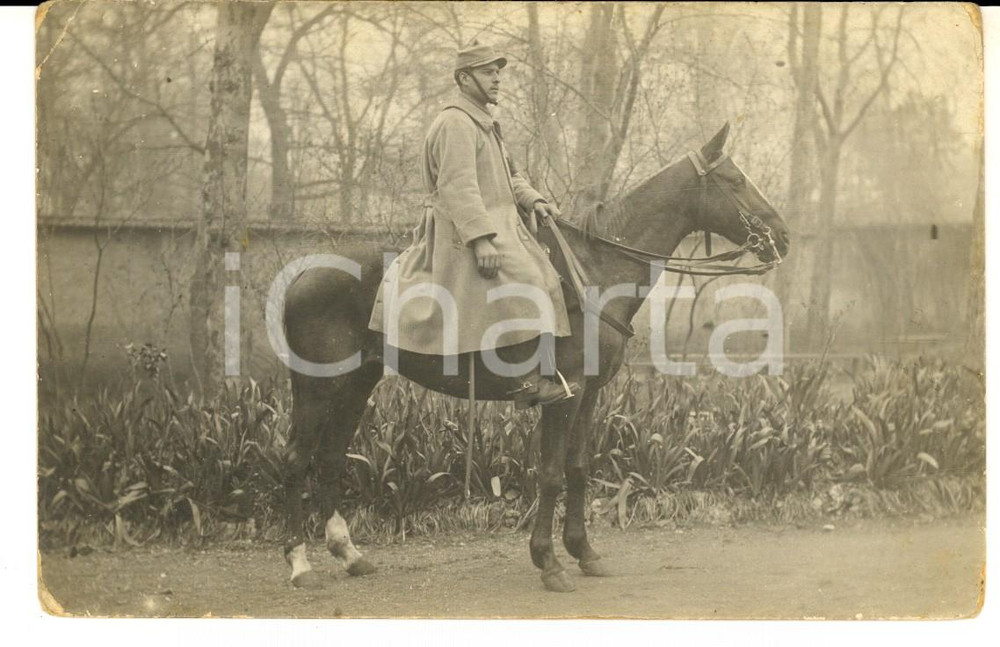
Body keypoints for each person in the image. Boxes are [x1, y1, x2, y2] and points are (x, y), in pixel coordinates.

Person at [369, 41, 578, 408]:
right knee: (525, 278)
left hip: (501, 222)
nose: (496, 79)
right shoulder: (455, 122)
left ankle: (543, 370)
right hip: (459, 230)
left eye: (498, 72)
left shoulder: (484, 122)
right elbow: (458, 186)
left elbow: (511, 176)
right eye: (487, 72)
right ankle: (525, 381)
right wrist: (481, 239)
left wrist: (534, 200)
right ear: (464, 78)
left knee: (545, 273)